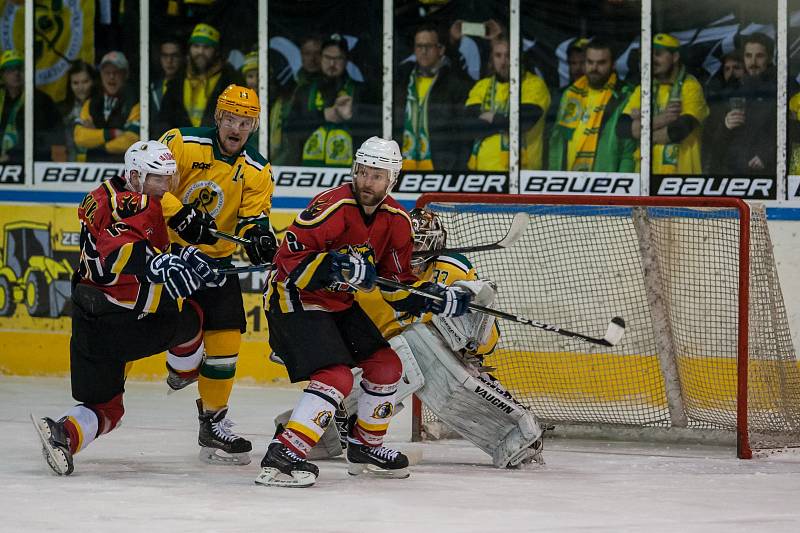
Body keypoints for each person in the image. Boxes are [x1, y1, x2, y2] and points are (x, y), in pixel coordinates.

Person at [258, 136, 473, 487]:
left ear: (392, 180)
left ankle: (365, 445)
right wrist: (333, 266)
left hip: (340, 304)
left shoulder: (397, 221)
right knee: (337, 377)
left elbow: (396, 286)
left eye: (377, 175)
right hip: (294, 299)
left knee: (387, 367)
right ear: (354, 170)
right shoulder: (330, 207)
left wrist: (435, 299)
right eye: (363, 172)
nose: (367, 182)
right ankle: (284, 454)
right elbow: (287, 263)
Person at [277, 207, 545, 469]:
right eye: (411, 244)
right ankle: (312, 434)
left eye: (422, 245)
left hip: (426, 354)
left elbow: (487, 342)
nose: (415, 252)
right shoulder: (376, 261)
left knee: (417, 346)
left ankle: (513, 433)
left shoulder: (453, 270)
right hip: (372, 354)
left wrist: (471, 320)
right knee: (399, 355)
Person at [31, 140, 222, 476]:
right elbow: (116, 250)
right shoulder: (142, 206)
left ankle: (63, 433)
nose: (167, 187)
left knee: (106, 409)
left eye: (169, 178)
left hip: (87, 315)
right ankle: (184, 373)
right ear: (136, 175)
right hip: (125, 318)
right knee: (192, 315)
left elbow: (118, 237)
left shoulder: (101, 193)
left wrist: (175, 257)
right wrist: (159, 262)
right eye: (159, 179)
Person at [159, 84, 276, 466]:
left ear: (254, 125)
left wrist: (258, 235)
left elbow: (253, 217)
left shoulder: (257, 169)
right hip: (167, 256)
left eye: (245, 121)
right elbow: (147, 184)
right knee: (144, 328)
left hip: (216, 263)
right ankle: (101, 401)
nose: (236, 128)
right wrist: (179, 213)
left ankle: (213, 421)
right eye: (230, 118)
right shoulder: (182, 143)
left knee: (226, 342)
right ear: (217, 118)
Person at [617, 33, 709, 175]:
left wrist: (641, 129)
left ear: (675, 57)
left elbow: (678, 130)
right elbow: (622, 128)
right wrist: (663, 119)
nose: (651, 60)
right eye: (647, 55)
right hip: (645, 178)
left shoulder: (690, 86)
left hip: (681, 179)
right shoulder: (643, 89)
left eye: (658, 54)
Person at [548, 39, 636, 172]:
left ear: (613, 64)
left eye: (601, 63)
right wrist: (554, 176)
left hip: (606, 181)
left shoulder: (625, 95)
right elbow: (557, 141)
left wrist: (623, 181)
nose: (594, 68)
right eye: (590, 62)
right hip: (568, 180)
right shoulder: (570, 94)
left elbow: (628, 148)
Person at [465, 36, 550, 171]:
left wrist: (492, 117)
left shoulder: (534, 85)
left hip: (522, 172)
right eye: (498, 55)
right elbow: (470, 124)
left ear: (519, 57)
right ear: (492, 59)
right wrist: (504, 120)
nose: (504, 62)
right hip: (483, 170)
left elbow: (523, 122)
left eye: (509, 56)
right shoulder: (482, 86)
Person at [285, 34, 372, 167]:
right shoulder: (304, 91)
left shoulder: (361, 90)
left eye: (338, 58)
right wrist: (323, 115)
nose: (332, 63)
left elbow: (375, 132)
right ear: (320, 58)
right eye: (327, 57)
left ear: (347, 60)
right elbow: (289, 128)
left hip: (348, 173)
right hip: (308, 172)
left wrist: (352, 117)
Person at [394, 22, 471, 170]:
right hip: (402, 168)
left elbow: (462, 131)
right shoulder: (402, 79)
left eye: (428, 46)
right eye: (419, 46)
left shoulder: (454, 83)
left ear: (440, 49)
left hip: (440, 168)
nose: (423, 51)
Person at [155, 23, 243, 136]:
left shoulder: (231, 81)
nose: (200, 52)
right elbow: (164, 122)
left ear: (216, 51)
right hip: (182, 149)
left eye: (206, 47)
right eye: (196, 46)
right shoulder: (178, 80)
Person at [707, 32, 776, 175]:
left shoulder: (784, 88)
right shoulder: (736, 92)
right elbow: (714, 144)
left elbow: (794, 134)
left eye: (759, 56)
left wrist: (767, 156)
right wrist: (726, 125)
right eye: (748, 56)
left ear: (770, 58)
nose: (753, 62)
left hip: (772, 177)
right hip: (736, 175)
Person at [74, 51, 140, 162]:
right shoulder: (90, 102)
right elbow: (80, 137)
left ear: (125, 74)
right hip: (92, 168)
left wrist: (95, 141)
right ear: (101, 74)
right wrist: (112, 133)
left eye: (116, 72)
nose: (111, 77)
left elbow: (131, 140)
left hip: (122, 170)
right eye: (106, 72)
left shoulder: (136, 103)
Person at [0, 50, 64, 163]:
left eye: (20, 69)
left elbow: (52, 136)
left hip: (31, 163)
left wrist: (13, 157)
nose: (16, 73)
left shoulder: (41, 100)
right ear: (2, 75)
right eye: (10, 70)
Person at [58, 61, 97, 162]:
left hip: (95, 161)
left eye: (85, 82)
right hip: (67, 163)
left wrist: (96, 130)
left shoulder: (102, 107)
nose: (80, 88)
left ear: (93, 81)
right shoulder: (61, 109)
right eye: (75, 83)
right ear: (69, 85)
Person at [150, 38, 185, 117]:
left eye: (175, 56)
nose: (169, 61)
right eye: (165, 56)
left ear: (183, 58)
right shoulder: (152, 87)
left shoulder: (188, 87)